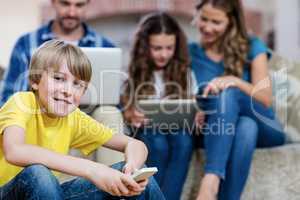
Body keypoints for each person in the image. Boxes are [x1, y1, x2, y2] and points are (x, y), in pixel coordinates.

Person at [0, 40, 165, 200]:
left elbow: (136, 145)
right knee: (38, 173)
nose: (68, 91)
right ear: (35, 81)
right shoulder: (22, 102)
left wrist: (132, 169)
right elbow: (15, 151)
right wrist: (92, 170)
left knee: (138, 178)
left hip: (48, 194)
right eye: (58, 78)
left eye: (77, 84)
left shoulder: (74, 118)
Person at [0, 0, 123, 165]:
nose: (72, 12)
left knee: (110, 112)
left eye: (79, 5)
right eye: (65, 4)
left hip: (82, 120)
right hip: (39, 118)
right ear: (53, 3)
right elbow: (10, 96)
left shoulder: (105, 46)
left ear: (88, 5)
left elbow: (113, 97)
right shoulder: (27, 43)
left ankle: (116, 182)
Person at [188, 0, 286, 200]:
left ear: (231, 23)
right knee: (245, 127)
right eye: (204, 19)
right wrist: (194, 107)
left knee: (229, 93)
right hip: (217, 129)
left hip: (264, 124)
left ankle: (210, 183)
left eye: (216, 22)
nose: (207, 27)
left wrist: (233, 80)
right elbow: (182, 94)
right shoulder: (190, 52)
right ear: (196, 15)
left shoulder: (252, 46)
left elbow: (265, 99)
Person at [121, 12, 201, 200]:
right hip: (147, 129)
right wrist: (129, 113)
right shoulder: (131, 71)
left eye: (169, 48)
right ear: (144, 46)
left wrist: (197, 113)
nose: (164, 54)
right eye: (157, 48)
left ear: (176, 46)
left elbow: (193, 105)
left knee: (183, 141)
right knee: (157, 142)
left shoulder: (185, 73)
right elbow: (122, 106)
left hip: (179, 130)